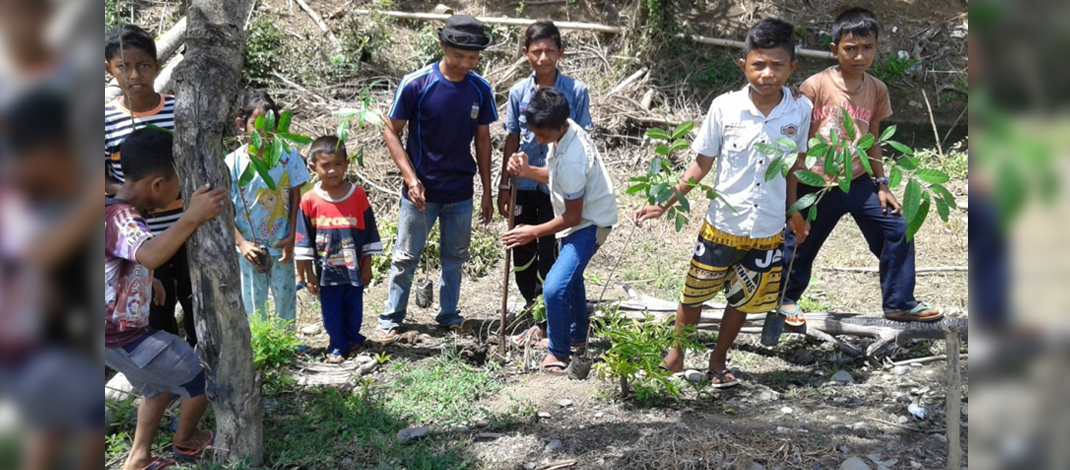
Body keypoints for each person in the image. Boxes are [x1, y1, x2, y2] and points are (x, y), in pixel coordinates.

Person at [634, 18, 812, 387]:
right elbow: (701, 164)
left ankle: (718, 361)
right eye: (758, 64)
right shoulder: (724, 108)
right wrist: (664, 203)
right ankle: (676, 355)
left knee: (744, 300)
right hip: (722, 226)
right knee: (694, 291)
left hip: (766, 231)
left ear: (792, 68)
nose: (767, 74)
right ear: (743, 64)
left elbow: (796, 166)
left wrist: (794, 213)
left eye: (778, 66)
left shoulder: (799, 109)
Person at [780, 7, 943, 326]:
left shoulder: (877, 89)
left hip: (856, 181)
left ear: (877, 48)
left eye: (867, 48)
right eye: (850, 49)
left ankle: (899, 302)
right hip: (816, 183)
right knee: (800, 240)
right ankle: (786, 299)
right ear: (834, 50)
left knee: (897, 228)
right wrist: (794, 203)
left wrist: (882, 184)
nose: (859, 56)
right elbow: (798, 143)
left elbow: (875, 139)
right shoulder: (815, 86)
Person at [104, 128, 227, 470]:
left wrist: (148, 278)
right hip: (124, 335)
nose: (179, 191)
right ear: (158, 185)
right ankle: (186, 442)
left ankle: (138, 459)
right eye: (178, 182)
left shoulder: (107, 208)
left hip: (107, 335)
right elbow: (150, 253)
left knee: (156, 391)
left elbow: (119, 258)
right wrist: (191, 216)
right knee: (201, 380)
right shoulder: (122, 216)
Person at [378, 15, 496, 340]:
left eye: (472, 58)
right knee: (405, 257)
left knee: (455, 258)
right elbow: (391, 130)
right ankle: (391, 318)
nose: (465, 63)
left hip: (460, 190)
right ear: (443, 47)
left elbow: (482, 140)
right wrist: (411, 178)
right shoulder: (417, 83)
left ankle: (449, 315)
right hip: (421, 193)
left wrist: (487, 190)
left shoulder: (480, 89)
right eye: (458, 55)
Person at [502, 87, 617, 372]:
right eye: (535, 134)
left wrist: (533, 231)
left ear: (561, 126)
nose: (539, 141)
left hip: (589, 223)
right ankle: (577, 338)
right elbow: (557, 177)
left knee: (553, 287)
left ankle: (558, 351)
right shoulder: (568, 129)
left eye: (543, 136)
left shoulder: (572, 157)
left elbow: (572, 216)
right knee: (573, 280)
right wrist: (528, 171)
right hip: (583, 217)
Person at [103, 24, 199, 345]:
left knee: (197, 303)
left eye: (143, 66)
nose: (134, 75)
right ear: (108, 69)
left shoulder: (178, 110)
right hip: (138, 242)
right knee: (155, 314)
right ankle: (171, 386)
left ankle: (203, 378)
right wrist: (126, 193)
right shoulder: (103, 120)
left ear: (157, 67)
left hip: (187, 231)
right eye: (123, 67)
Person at [500, 21, 593, 349]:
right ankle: (532, 309)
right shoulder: (517, 93)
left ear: (560, 52)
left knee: (550, 254)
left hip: (558, 190)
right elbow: (512, 138)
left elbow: (581, 143)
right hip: (524, 187)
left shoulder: (576, 91)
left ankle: (545, 323)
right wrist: (503, 184)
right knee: (521, 252)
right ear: (525, 54)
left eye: (549, 51)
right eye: (536, 51)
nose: (543, 57)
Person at [295, 137, 382, 364]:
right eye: (325, 165)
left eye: (338, 164)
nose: (332, 170)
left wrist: (367, 266)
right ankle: (337, 345)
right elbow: (303, 242)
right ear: (313, 167)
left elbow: (369, 233)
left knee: (354, 308)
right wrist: (308, 274)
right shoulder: (309, 201)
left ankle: (353, 339)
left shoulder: (358, 195)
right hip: (326, 273)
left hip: (354, 270)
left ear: (347, 163)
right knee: (331, 312)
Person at [225, 91, 310, 322]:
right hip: (248, 246)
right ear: (241, 125)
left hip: (281, 241)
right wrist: (241, 243)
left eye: (268, 124)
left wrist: (292, 236)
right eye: (256, 124)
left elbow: (295, 199)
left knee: (285, 298)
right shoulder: (233, 162)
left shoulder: (288, 157)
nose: (262, 131)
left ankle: (285, 346)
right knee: (253, 302)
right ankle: (260, 349)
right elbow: (223, 209)